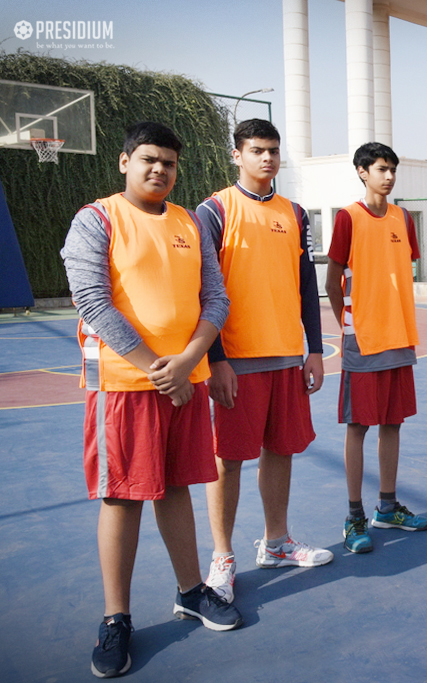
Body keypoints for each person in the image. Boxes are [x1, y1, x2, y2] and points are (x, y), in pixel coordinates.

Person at [62, 121, 242, 678]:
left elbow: (216, 299)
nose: (159, 169)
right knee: (122, 497)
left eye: (169, 162)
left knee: (178, 486)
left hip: (183, 382)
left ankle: (191, 591)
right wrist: (159, 370)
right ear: (125, 162)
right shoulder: (96, 219)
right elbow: (92, 300)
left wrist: (187, 362)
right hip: (123, 386)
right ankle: (116, 618)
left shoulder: (190, 222)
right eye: (148, 159)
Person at [198, 119, 331, 605]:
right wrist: (215, 358)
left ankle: (276, 543)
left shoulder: (294, 213)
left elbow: (306, 285)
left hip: (285, 356)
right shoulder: (214, 210)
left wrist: (313, 349)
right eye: (257, 150)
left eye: (273, 150)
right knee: (228, 460)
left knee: (281, 450)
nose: (268, 158)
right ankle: (222, 557)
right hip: (236, 359)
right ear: (237, 155)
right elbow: (202, 289)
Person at [325, 142, 427, 554]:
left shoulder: (403, 219)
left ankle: (387, 507)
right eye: (381, 169)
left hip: (399, 336)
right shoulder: (348, 218)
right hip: (364, 340)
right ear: (362, 172)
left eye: (392, 170)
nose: (388, 177)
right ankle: (353, 516)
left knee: (393, 423)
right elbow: (332, 280)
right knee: (358, 426)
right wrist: (350, 324)